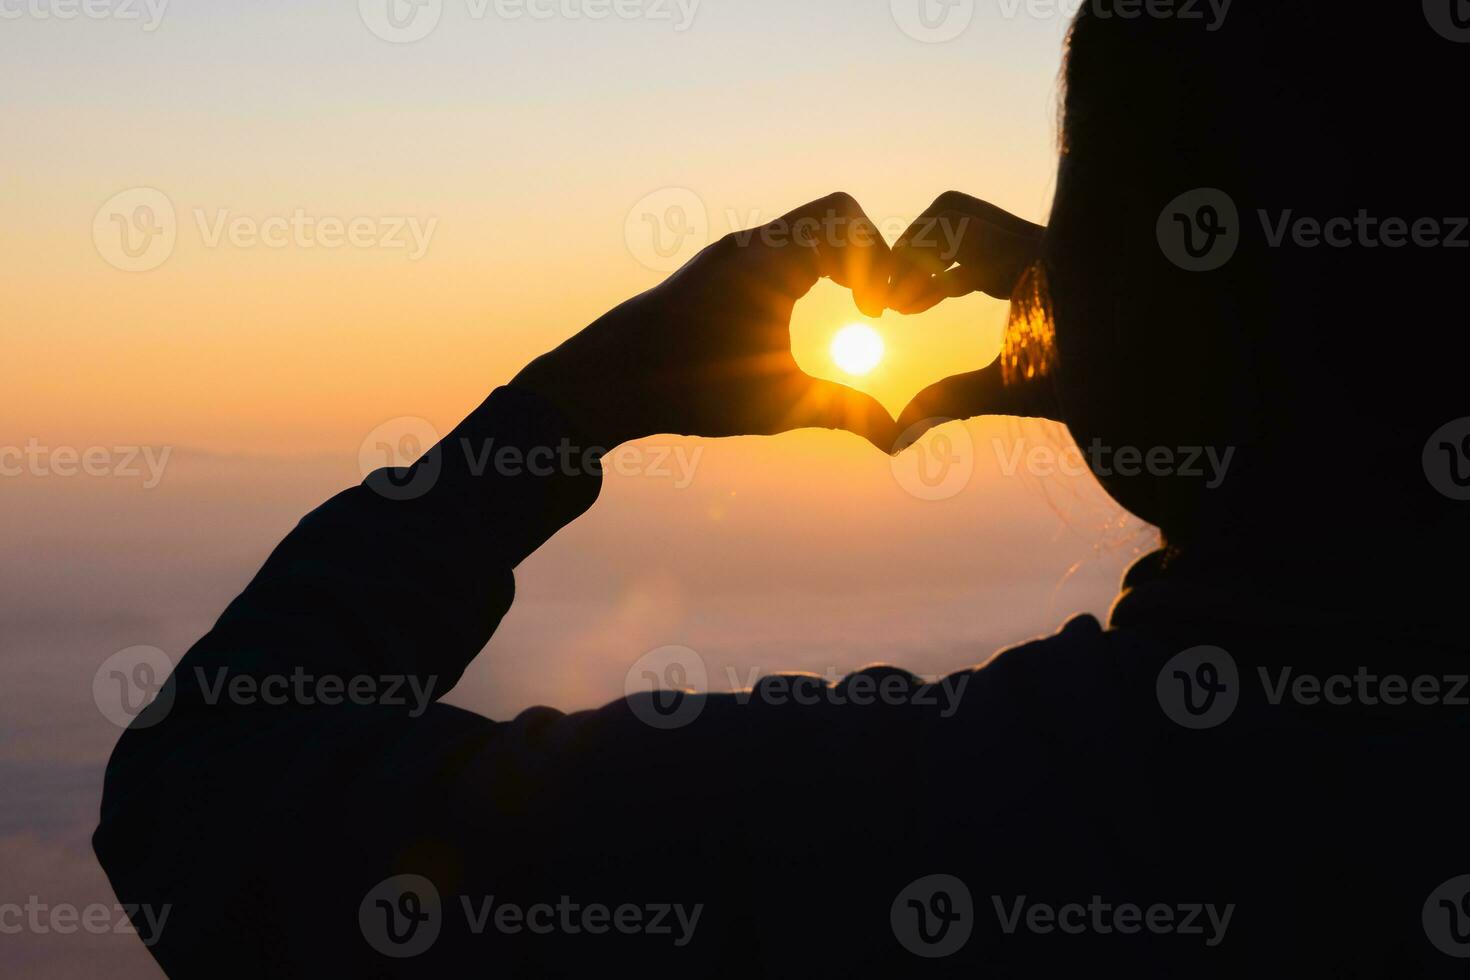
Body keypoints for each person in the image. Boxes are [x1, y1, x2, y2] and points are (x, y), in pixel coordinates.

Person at [96, 3, 1467, 975]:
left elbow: (209, 809)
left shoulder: (944, 826)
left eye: (1086, 217)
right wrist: (1161, 337)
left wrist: (577, 404)